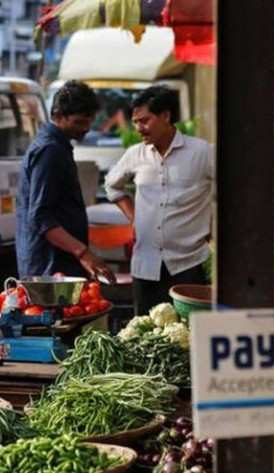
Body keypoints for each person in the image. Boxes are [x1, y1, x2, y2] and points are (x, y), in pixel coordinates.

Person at [105, 86, 213, 315]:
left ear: (166, 116)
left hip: (188, 265)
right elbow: (111, 185)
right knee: (144, 335)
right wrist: (133, 217)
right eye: (135, 122)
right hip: (145, 266)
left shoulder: (201, 153)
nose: (138, 128)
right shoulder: (135, 154)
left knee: (189, 337)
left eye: (144, 120)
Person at [16, 80, 115, 282]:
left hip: (57, 262)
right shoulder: (50, 150)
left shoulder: (58, 145)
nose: (86, 129)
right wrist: (83, 253)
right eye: (79, 122)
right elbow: (41, 217)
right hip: (50, 266)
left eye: (89, 122)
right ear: (58, 116)